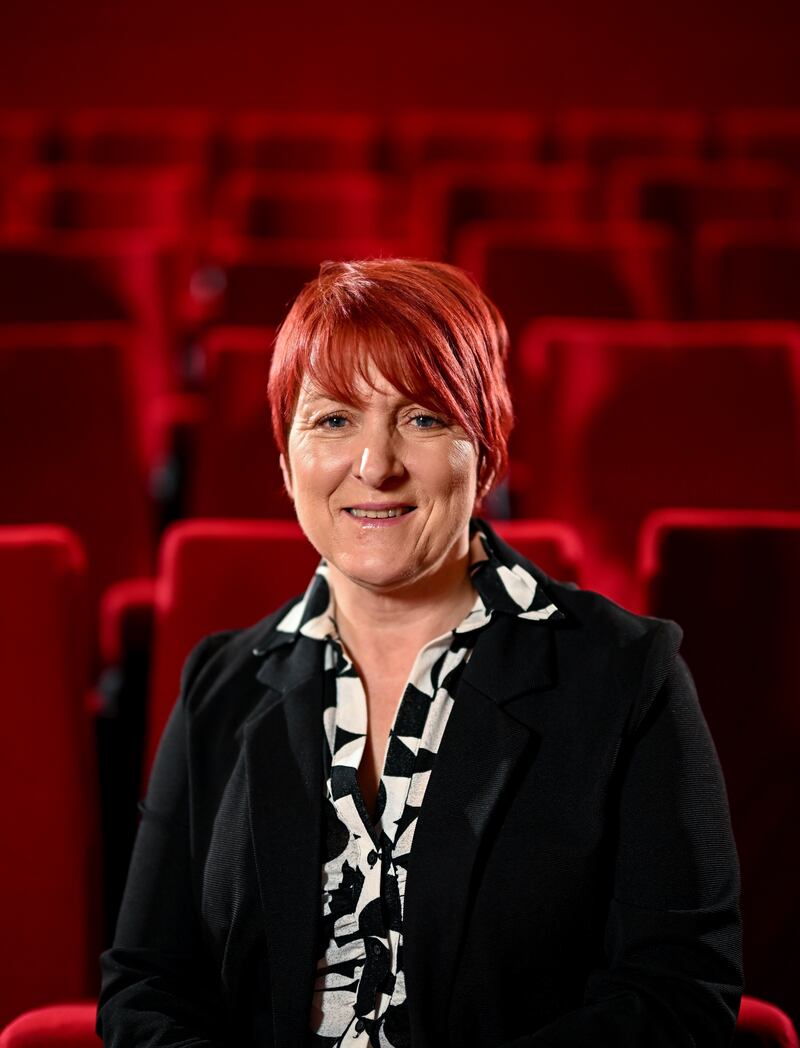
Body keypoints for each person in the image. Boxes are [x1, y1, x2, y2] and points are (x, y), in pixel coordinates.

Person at [98, 258, 742, 1047]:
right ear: (284, 458)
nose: (376, 464)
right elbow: (145, 984)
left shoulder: (626, 674)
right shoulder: (220, 684)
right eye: (333, 419)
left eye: (423, 419)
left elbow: (678, 991)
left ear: (489, 450)